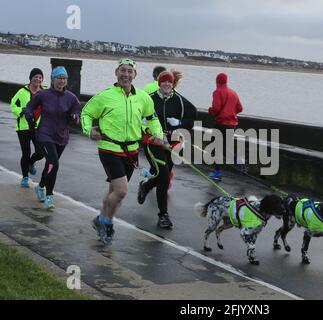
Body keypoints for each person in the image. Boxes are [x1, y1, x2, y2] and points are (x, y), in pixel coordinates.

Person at [81, 58, 163, 245]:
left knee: (113, 191)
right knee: (122, 191)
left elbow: (152, 119)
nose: (126, 74)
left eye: (129, 71)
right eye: (122, 71)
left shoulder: (143, 97)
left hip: (132, 151)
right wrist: (89, 129)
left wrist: (157, 133)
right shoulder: (105, 96)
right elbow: (86, 113)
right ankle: (107, 223)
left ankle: (100, 219)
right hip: (109, 148)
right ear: (116, 73)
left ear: (135, 75)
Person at [137, 70, 197, 229]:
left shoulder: (179, 101)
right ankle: (163, 215)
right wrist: (151, 132)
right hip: (153, 143)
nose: (167, 84)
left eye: (169, 82)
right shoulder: (149, 100)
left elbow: (191, 119)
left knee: (164, 177)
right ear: (159, 82)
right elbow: (138, 121)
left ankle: (147, 185)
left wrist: (178, 122)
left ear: (173, 84)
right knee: (163, 174)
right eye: (164, 82)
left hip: (172, 145)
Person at [25, 66, 81, 209]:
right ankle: (49, 195)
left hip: (61, 136)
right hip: (45, 134)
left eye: (64, 78)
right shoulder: (43, 95)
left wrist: (75, 116)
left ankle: (41, 186)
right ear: (52, 79)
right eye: (59, 78)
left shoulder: (71, 97)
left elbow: (77, 110)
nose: (61, 81)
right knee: (53, 164)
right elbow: (30, 106)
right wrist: (29, 115)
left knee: (50, 166)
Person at [10, 68, 46, 187]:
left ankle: (31, 163)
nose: (38, 79)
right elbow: (13, 105)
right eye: (36, 77)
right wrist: (21, 111)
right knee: (26, 153)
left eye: (40, 77)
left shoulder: (45, 91)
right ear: (31, 78)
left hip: (39, 128)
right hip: (23, 128)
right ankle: (25, 177)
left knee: (41, 152)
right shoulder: (22, 91)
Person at [208, 72, 244, 180]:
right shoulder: (233, 92)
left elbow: (216, 109)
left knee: (215, 148)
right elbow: (240, 108)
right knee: (223, 148)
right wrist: (230, 112)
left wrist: (210, 111)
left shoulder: (217, 92)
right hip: (232, 125)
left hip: (221, 124)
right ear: (226, 81)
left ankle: (217, 173)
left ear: (217, 81)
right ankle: (238, 161)